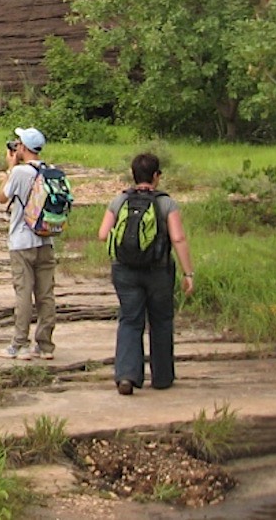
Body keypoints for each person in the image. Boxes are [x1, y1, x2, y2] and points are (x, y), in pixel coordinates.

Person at [96, 152, 195, 394]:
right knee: (161, 321)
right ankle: (162, 377)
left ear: (133, 175)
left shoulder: (119, 201)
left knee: (130, 320)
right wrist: (188, 273)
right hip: (159, 271)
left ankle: (127, 375)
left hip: (124, 271)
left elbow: (102, 234)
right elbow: (178, 238)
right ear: (156, 176)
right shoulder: (166, 203)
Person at [0, 127, 56, 359]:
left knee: (24, 293)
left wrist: (9, 168)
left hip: (22, 241)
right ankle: (45, 345)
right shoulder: (51, 170)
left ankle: (19, 343)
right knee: (46, 294)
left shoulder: (20, 172)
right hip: (46, 238)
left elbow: (2, 196)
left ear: (23, 147)